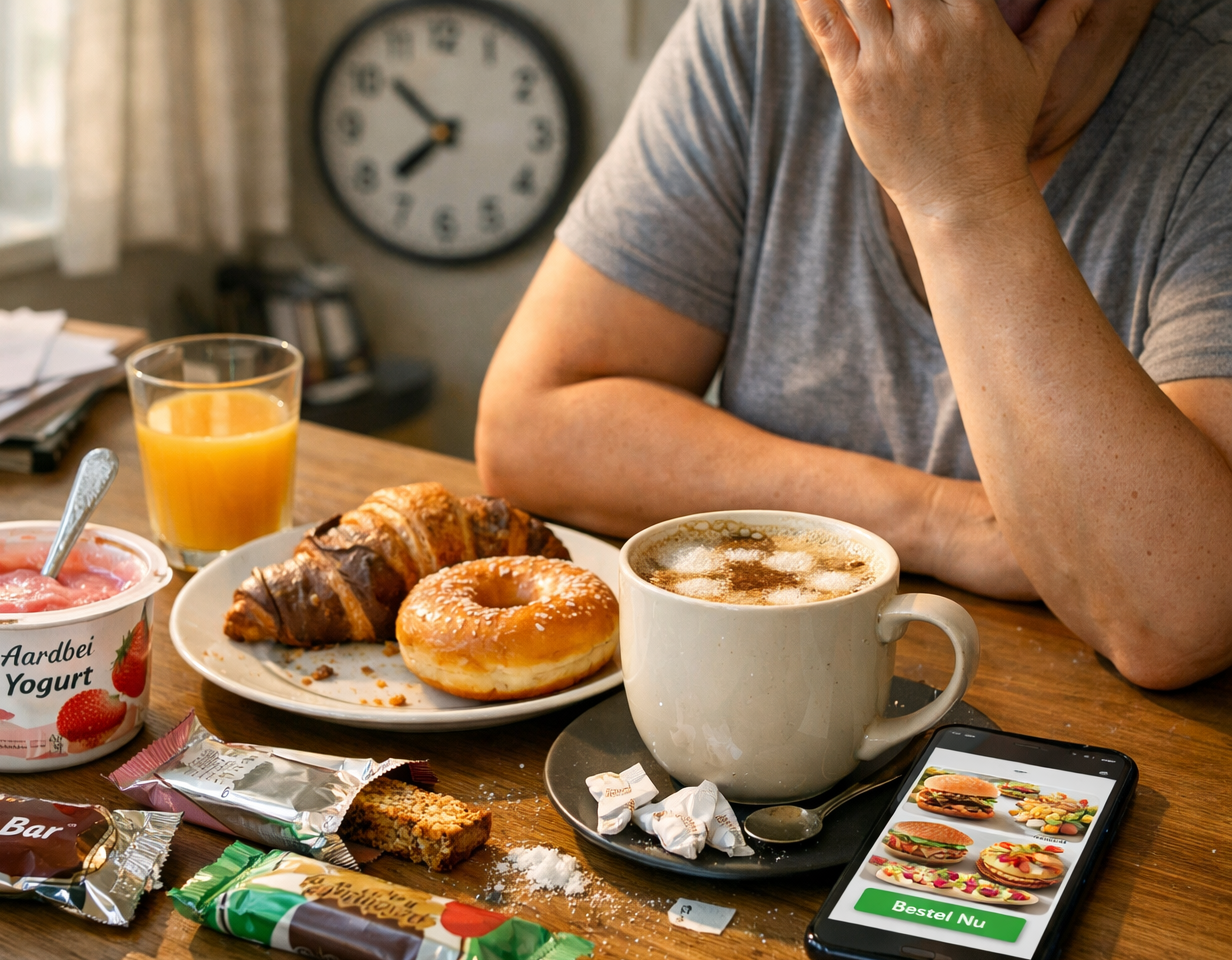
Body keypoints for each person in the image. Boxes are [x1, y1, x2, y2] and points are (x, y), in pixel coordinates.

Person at [475, 0, 1232, 690]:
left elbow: (1174, 620)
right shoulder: (767, 28)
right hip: (776, 697)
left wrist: (964, 187)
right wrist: (941, 519)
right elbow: (531, 427)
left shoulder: (1209, 93)